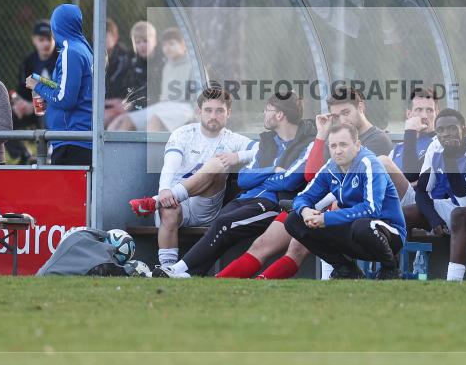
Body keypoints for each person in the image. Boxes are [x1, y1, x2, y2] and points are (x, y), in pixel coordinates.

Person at [221, 86, 393, 279]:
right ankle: (221, 282)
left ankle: (267, 282)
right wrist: (321, 135)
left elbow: (361, 186)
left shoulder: (378, 140)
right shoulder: (335, 138)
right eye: (336, 116)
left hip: (348, 209)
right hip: (316, 203)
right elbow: (312, 175)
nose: (342, 120)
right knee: (263, 243)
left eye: (346, 113)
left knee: (297, 247)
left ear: (360, 107)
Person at [154, 92, 316, 278]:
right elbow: (243, 179)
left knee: (224, 223)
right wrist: (272, 170)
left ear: (279, 115)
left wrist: (268, 179)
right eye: (208, 110)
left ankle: (178, 269)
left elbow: (290, 180)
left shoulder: (308, 143)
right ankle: (187, 273)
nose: (264, 113)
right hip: (246, 198)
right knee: (221, 223)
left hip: (272, 204)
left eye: (267, 110)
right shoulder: (267, 142)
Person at [148, 86, 256, 272]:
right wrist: (164, 190)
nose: (213, 116)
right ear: (199, 112)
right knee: (169, 210)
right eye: (208, 110)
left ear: (228, 113)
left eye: (219, 111)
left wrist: (236, 157)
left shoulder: (233, 139)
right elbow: (170, 164)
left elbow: (262, 149)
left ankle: (157, 201)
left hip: (205, 208)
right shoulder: (182, 134)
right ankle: (167, 270)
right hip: (175, 205)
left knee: (217, 164)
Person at [285, 123, 406, 280]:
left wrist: (326, 218)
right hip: (353, 230)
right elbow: (302, 197)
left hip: (387, 231)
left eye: (343, 144)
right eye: (333, 146)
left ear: (357, 145)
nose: (338, 150)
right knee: (293, 220)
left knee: (362, 225)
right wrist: (305, 211)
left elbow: (371, 210)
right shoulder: (331, 167)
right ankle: (346, 269)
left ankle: (390, 269)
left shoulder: (369, 164)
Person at [403, 108, 466, 282]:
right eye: (441, 130)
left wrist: (449, 159)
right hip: (453, 205)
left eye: (452, 128)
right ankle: (393, 270)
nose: (446, 134)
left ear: (463, 130)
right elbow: (422, 191)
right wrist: (434, 219)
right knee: (404, 214)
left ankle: (453, 280)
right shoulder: (434, 146)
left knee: (458, 214)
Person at [25, 4, 93, 166]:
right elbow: (67, 87)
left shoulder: (71, 52)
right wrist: (44, 82)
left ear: (57, 26)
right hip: (76, 140)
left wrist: (37, 86)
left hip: (72, 142)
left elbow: (65, 99)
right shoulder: (84, 49)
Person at [6, 20, 59, 164]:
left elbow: (61, 92)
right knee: (5, 117)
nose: (46, 44)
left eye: (49, 39)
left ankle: (47, 158)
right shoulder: (28, 62)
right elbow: (22, 90)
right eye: (41, 40)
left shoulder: (60, 60)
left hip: (53, 109)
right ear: (34, 40)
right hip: (32, 107)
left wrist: (35, 105)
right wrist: (19, 102)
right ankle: (25, 156)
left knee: (41, 111)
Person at [103, 19, 133, 128]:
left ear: (115, 37)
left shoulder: (125, 58)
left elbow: (118, 91)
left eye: (105, 36)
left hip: (120, 106)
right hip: (103, 104)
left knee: (102, 119)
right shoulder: (93, 56)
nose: (100, 40)